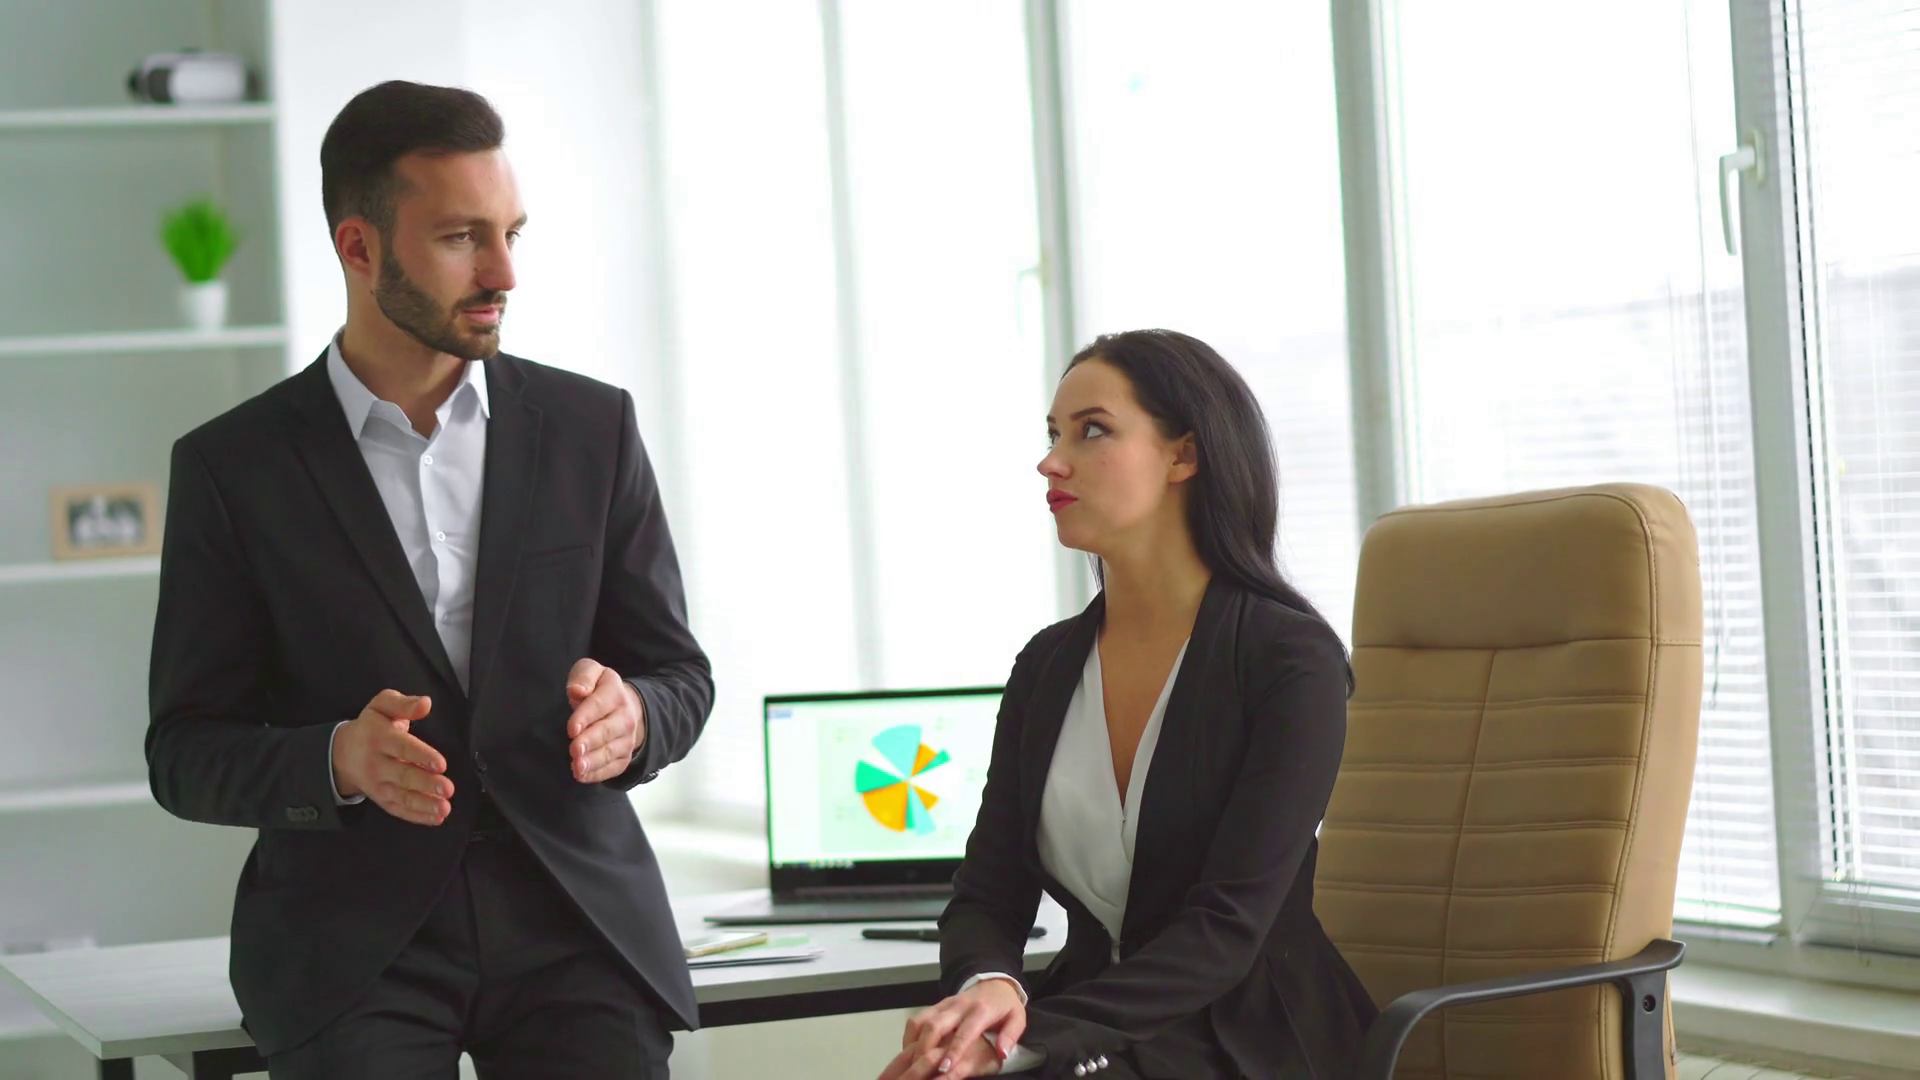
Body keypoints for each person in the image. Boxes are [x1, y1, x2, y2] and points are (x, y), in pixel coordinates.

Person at [145, 81, 710, 1078]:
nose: (502, 272)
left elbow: (677, 675)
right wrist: (337, 760)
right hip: (351, 948)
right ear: (358, 249)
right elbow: (184, 751)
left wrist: (636, 717)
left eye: (511, 234)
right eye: (461, 238)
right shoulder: (234, 469)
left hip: (573, 923)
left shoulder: (592, 430)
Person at [879, 330, 1376, 1079]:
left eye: (1092, 430)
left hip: (1249, 1034)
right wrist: (988, 989)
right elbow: (987, 893)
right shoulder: (1046, 666)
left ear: (1183, 454)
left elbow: (1226, 931)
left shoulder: (1289, 659)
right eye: (1052, 434)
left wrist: (1031, 1039)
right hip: (1089, 1028)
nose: (1052, 460)